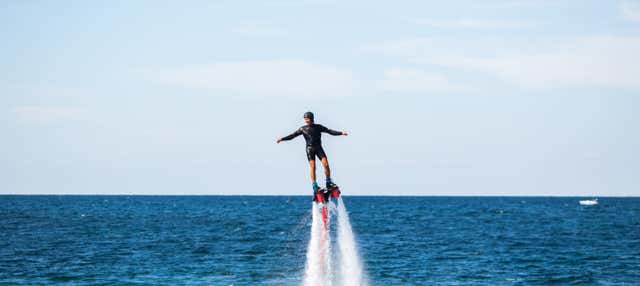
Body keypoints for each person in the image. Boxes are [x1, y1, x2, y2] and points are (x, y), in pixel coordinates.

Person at [276, 111, 348, 193]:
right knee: (313, 167)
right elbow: (292, 136)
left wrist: (341, 133)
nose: (306, 121)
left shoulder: (318, 127)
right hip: (309, 149)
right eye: (305, 119)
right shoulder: (302, 129)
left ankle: (328, 182)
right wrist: (282, 139)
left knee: (326, 164)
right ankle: (314, 185)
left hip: (318, 148)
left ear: (311, 118)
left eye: (307, 119)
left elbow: (329, 131)